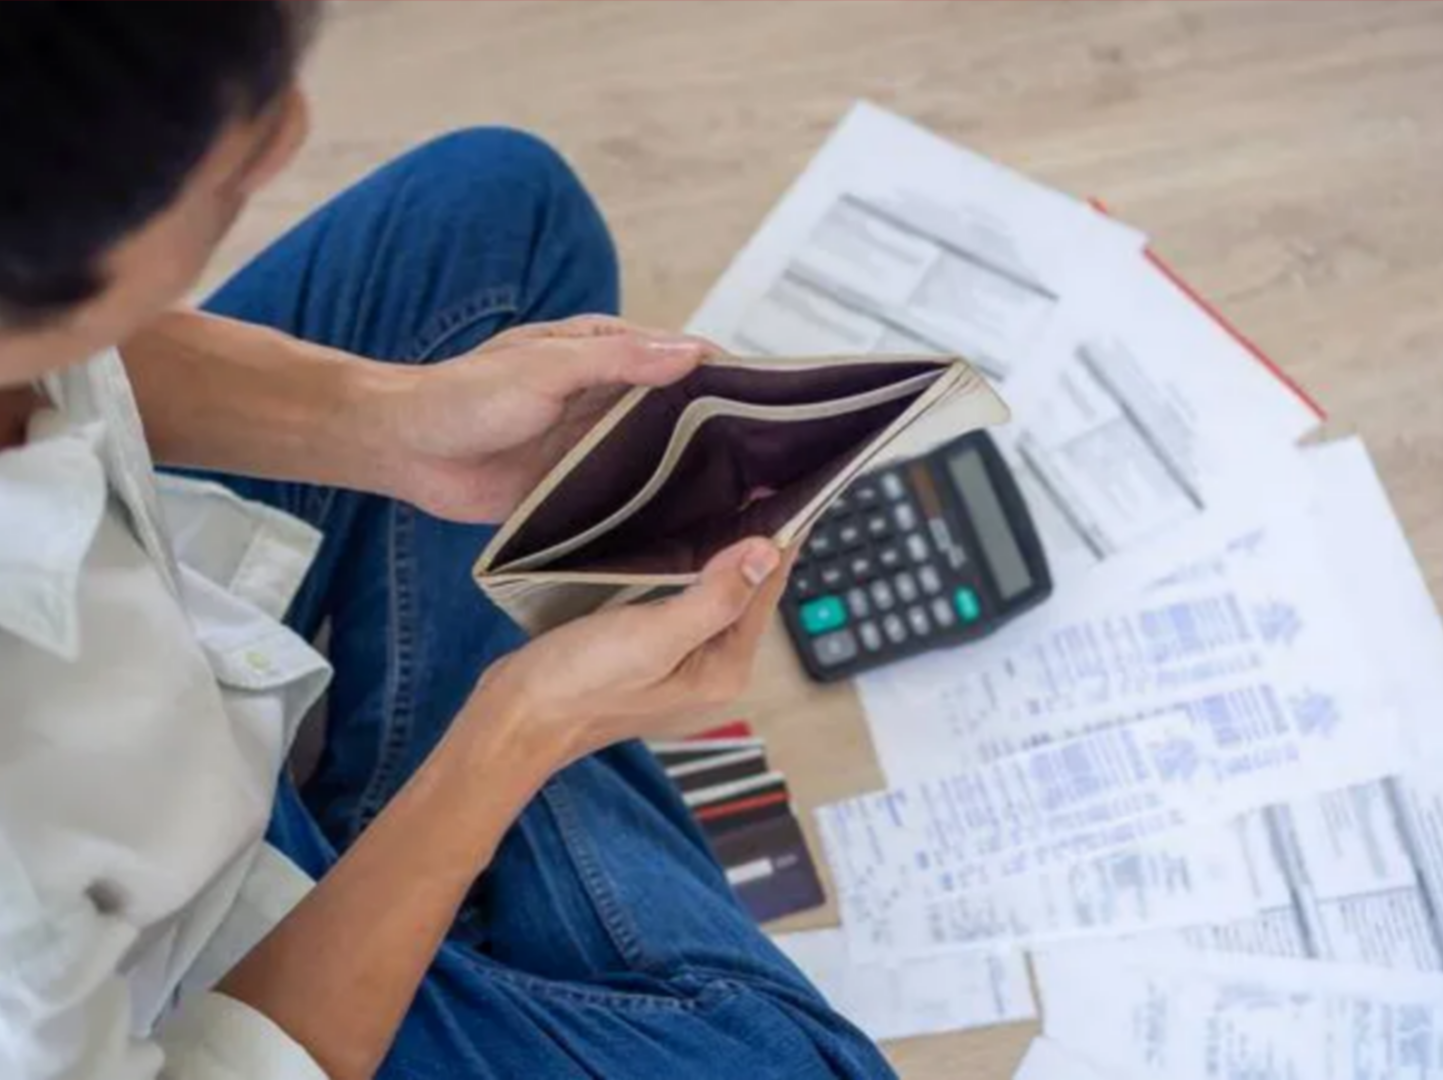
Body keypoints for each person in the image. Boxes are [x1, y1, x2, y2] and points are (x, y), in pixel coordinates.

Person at [0, 5, 895, 1079]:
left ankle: (414, 825)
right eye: (243, 153)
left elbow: (64, 348)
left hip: (186, 685)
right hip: (178, 985)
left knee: (500, 220)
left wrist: (398, 424)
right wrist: (518, 730)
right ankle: (435, 823)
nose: (294, 134)